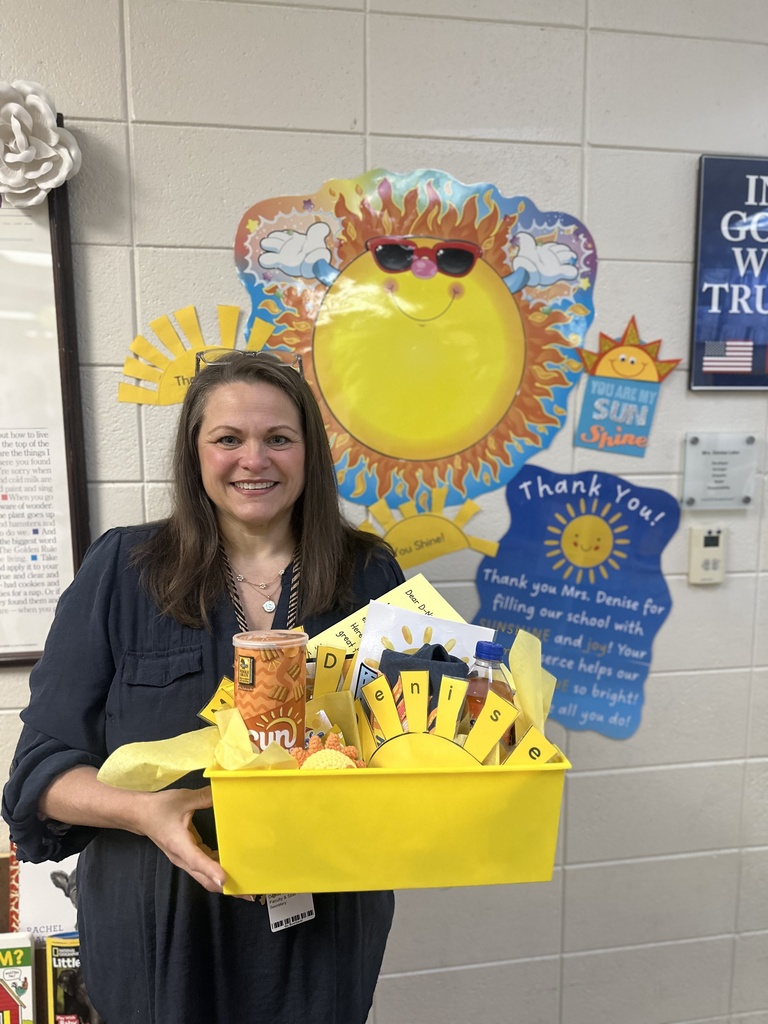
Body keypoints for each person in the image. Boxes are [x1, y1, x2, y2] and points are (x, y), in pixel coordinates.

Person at [2, 350, 405, 1024]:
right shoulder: (124, 571)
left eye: (279, 438)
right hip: (158, 927)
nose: (255, 459)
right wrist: (147, 813)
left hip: (323, 925)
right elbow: (39, 776)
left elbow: (424, 739)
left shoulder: (367, 574)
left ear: (308, 453)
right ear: (196, 455)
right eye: (228, 439)